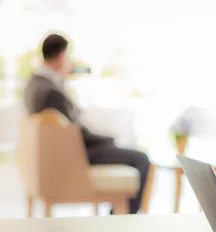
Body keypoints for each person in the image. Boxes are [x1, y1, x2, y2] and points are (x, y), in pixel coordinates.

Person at [23, 34, 150, 214]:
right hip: (78, 155)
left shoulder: (33, 84)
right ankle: (122, 219)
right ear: (61, 56)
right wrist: (108, 139)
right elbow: (78, 134)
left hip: (56, 155)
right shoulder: (51, 91)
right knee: (141, 158)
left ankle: (117, 216)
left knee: (121, 147)